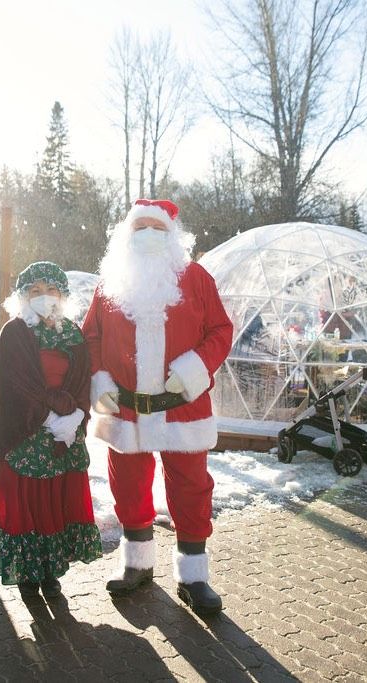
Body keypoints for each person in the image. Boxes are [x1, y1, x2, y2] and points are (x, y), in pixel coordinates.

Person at [82, 198, 233, 616]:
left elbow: (221, 329)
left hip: (181, 407)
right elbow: (89, 337)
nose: (149, 234)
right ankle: (137, 565)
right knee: (127, 486)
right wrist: (99, 379)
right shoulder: (109, 283)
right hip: (126, 409)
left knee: (190, 487)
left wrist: (194, 370)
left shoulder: (196, 278)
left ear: (172, 236)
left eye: (157, 227)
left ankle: (194, 576)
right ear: (126, 235)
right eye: (140, 227)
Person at [0, 262, 102, 599]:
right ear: (22, 298)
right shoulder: (15, 332)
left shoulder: (73, 333)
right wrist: (49, 418)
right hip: (26, 432)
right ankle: (27, 574)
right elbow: (12, 383)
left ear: (63, 296)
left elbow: (82, 380)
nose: (44, 297)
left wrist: (76, 415)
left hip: (64, 435)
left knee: (55, 501)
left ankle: (49, 569)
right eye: (35, 291)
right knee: (28, 503)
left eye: (51, 291)